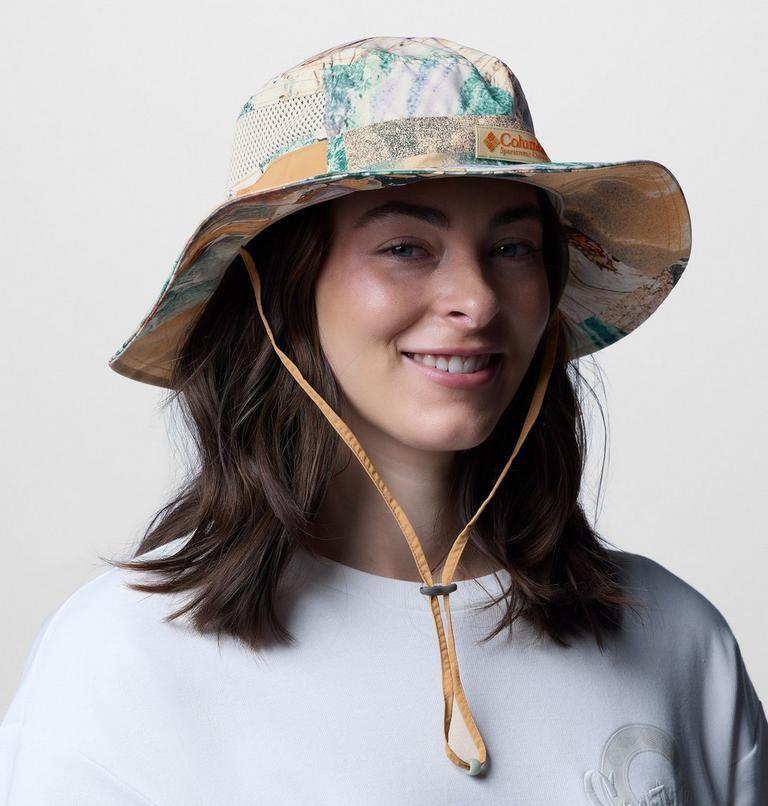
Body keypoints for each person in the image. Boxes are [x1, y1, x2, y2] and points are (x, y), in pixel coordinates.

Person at [1, 35, 765, 805]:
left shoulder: (677, 642)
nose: (477, 300)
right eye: (405, 247)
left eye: (511, 247)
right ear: (281, 289)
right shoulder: (125, 662)